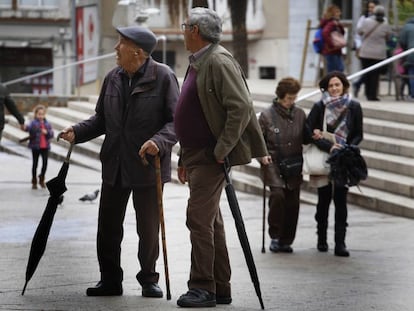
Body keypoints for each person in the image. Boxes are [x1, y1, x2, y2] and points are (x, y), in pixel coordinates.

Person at [59, 25, 180, 297]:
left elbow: (176, 123)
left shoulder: (163, 77)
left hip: (148, 165)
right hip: (114, 163)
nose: (115, 49)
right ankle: (110, 279)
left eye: (121, 44)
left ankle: (149, 278)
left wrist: (158, 142)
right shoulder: (112, 77)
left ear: (137, 52)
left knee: (148, 229)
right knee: (108, 227)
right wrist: (77, 131)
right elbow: (101, 118)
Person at [174, 7, 269, 308]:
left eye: (185, 25)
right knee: (210, 222)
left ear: (196, 31)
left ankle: (202, 287)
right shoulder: (200, 61)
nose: (183, 30)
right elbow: (192, 110)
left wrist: (221, 149)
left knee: (198, 220)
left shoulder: (218, 60)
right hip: (195, 155)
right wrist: (182, 157)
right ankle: (220, 287)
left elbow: (240, 107)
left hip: (209, 156)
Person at [306, 71, 363, 257]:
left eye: (337, 85)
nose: (334, 88)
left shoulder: (354, 106)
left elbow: (358, 133)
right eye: (330, 86)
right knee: (323, 200)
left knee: (341, 200)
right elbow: (307, 133)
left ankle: (340, 243)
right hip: (324, 157)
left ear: (344, 85)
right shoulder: (319, 106)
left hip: (343, 160)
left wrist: (347, 147)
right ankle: (321, 238)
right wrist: (329, 146)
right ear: (326, 88)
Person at [258, 77, 310, 254]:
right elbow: (257, 142)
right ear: (280, 96)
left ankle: (287, 240)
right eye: (288, 98)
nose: (291, 102)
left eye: (294, 98)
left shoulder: (300, 114)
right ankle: (275, 236)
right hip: (273, 162)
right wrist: (262, 155)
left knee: (293, 202)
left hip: (294, 163)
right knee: (278, 196)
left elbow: (307, 136)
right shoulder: (266, 116)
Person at [357, 5, 392, 101]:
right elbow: (388, 37)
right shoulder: (385, 24)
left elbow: (359, 31)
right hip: (379, 53)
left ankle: (367, 93)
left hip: (365, 52)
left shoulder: (366, 21)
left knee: (366, 73)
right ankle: (372, 95)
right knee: (375, 75)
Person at [353, 0, 379, 97]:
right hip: (366, 49)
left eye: (373, 7)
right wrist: (359, 47)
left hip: (377, 50)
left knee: (373, 71)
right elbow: (358, 34)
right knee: (367, 71)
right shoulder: (364, 18)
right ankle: (364, 88)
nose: (371, 9)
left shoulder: (382, 19)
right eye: (369, 7)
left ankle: (363, 87)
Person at [25, 104, 54, 189]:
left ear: (45, 114)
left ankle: (41, 178)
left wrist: (47, 132)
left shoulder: (47, 123)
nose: (41, 116)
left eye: (42, 114)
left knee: (45, 164)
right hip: (35, 147)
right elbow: (29, 129)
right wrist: (24, 127)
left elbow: (51, 134)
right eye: (39, 114)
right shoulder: (33, 123)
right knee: (35, 164)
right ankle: (34, 181)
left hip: (45, 147)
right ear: (36, 114)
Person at [320, 4, 346, 73]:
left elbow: (342, 33)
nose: (339, 14)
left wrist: (340, 26)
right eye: (337, 12)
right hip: (331, 51)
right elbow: (325, 33)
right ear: (333, 13)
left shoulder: (335, 23)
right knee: (336, 70)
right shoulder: (331, 23)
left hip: (335, 50)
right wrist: (331, 45)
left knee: (338, 69)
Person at [398, 16, 414, 100]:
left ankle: (412, 94)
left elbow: (402, 41)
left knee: (412, 74)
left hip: (410, 54)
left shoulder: (406, 27)